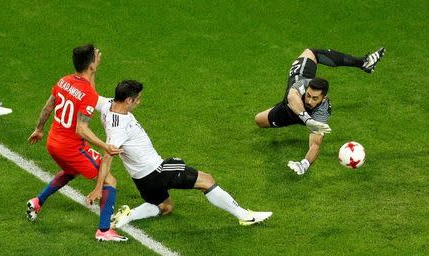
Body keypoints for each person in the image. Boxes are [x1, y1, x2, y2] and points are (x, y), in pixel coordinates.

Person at [88, 80, 272, 228]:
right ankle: (245, 216)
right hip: (156, 170)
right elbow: (107, 157)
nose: (139, 102)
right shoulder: (119, 126)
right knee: (206, 180)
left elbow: (92, 96)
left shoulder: (107, 105)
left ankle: (129, 214)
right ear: (128, 100)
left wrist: (91, 71)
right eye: (137, 99)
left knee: (165, 207)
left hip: (140, 178)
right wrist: (99, 187)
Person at [26, 44, 127, 242]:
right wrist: (104, 146)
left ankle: (37, 201)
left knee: (71, 172)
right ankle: (104, 231)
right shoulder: (86, 93)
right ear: (91, 65)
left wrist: (39, 129)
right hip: (71, 148)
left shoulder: (64, 81)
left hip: (53, 142)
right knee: (109, 180)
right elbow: (81, 129)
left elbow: (49, 106)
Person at [254, 47, 385, 175]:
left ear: (323, 99)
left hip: (307, 118)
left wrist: (304, 164)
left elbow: (315, 144)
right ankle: (363, 62)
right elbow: (292, 96)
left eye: (315, 98)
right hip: (287, 110)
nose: (309, 101)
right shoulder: (302, 84)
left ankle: (365, 63)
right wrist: (307, 119)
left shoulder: (323, 110)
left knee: (314, 138)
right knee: (258, 120)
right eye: (308, 95)